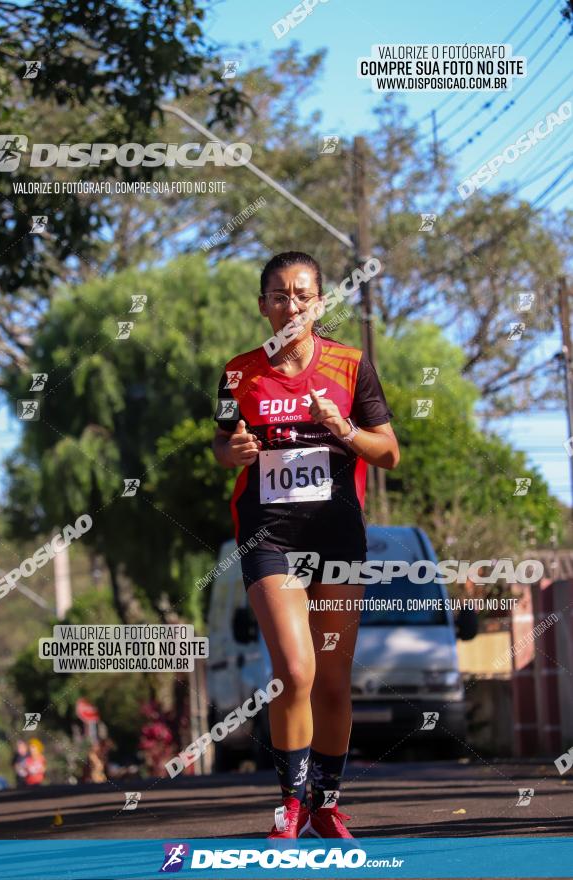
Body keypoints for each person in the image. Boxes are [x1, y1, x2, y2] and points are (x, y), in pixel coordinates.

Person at [213, 252, 399, 839]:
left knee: (334, 681)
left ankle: (327, 801)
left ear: (319, 303)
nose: (289, 305)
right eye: (277, 295)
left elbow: (388, 451)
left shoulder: (350, 366)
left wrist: (342, 429)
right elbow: (222, 444)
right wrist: (234, 453)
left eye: (300, 294)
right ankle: (290, 806)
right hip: (270, 537)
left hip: (337, 536)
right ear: (262, 304)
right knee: (295, 672)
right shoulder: (238, 373)